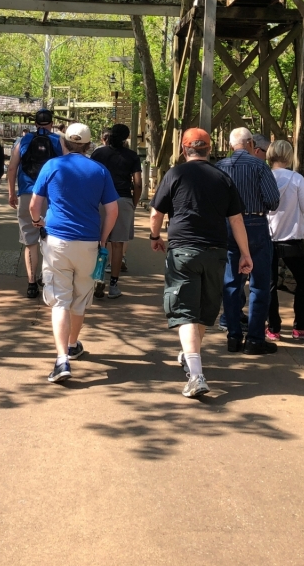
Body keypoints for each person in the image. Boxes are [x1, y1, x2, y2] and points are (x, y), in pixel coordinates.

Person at [151, 129, 253, 398]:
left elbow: (156, 213)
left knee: (185, 310)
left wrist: (155, 236)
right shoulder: (222, 177)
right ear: (209, 150)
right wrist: (245, 253)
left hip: (183, 250)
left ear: (185, 150)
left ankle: (196, 373)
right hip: (216, 251)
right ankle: (190, 356)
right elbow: (237, 220)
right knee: (206, 308)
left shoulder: (174, 174)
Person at [29, 123, 119, 384]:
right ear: (89, 145)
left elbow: (35, 205)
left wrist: (38, 222)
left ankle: (61, 359)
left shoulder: (53, 166)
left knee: (60, 300)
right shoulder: (100, 170)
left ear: (64, 143)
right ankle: (72, 344)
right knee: (80, 300)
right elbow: (112, 211)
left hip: (57, 239)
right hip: (89, 241)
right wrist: (102, 239)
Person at [216, 127, 282, 355]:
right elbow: (273, 201)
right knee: (260, 284)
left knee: (231, 282)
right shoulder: (259, 166)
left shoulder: (220, 167)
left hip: (227, 226)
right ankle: (255, 339)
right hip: (255, 224)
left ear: (230, 144)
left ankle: (233, 336)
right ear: (251, 143)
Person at [265, 139, 304, 342]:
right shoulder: (296, 179)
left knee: (270, 284)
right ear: (290, 156)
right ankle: (301, 325)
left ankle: (273, 327)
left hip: (268, 237)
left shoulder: (264, 177)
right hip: (293, 239)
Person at [7, 109, 63, 299]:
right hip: (52, 196)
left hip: (27, 194)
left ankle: (31, 284)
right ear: (52, 123)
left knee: (30, 242)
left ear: (35, 123)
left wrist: (11, 193)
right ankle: (47, 278)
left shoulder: (23, 141)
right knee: (51, 239)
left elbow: (12, 167)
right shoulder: (58, 140)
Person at [90, 123, 141, 299]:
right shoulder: (132, 156)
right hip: (123, 199)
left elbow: (90, 175)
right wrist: (133, 203)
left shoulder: (98, 153)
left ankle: (97, 278)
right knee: (118, 244)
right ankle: (113, 285)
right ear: (126, 137)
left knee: (99, 242)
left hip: (101, 199)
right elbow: (138, 183)